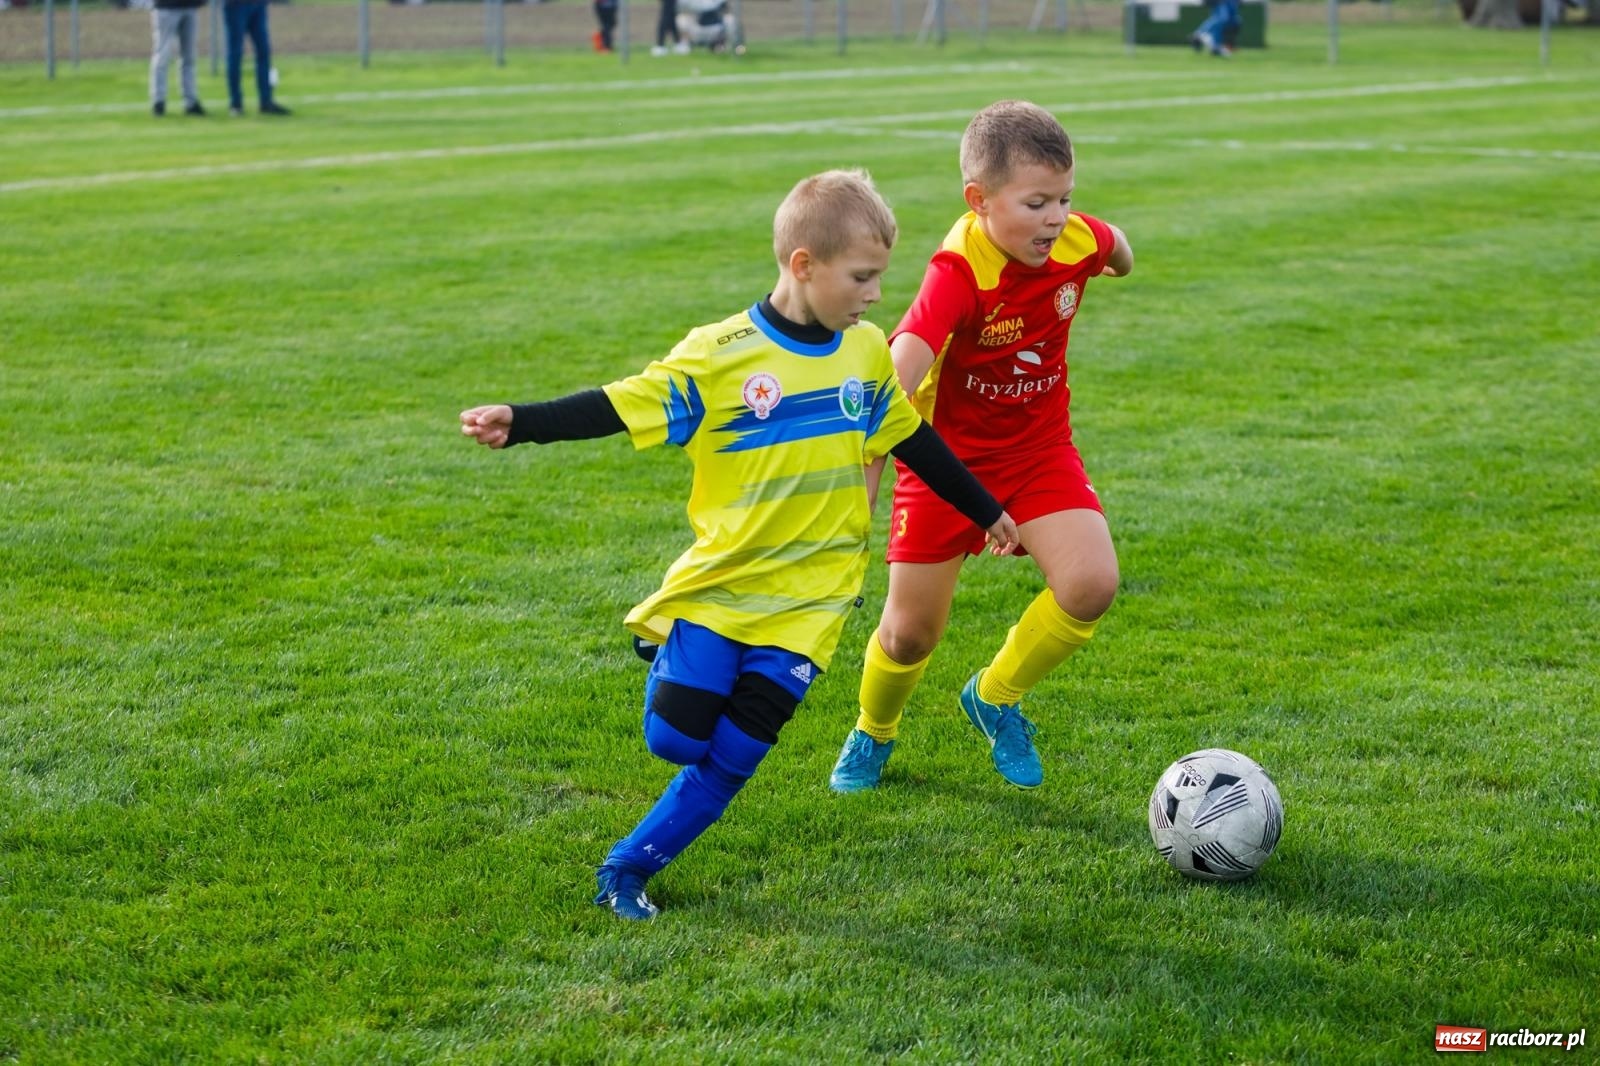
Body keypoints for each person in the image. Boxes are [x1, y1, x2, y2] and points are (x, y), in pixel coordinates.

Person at [459, 170, 1019, 921]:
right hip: (724, 588)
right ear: (803, 266)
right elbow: (621, 405)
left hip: (812, 601)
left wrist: (987, 511)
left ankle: (626, 869)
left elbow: (913, 440)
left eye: (880, 276)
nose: (875, 295)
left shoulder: (865, 355)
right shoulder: (719, 354)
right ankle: (672, 653)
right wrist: (520, 420)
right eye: (862, 277)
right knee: (674, 740)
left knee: (735, 757)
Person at [827, 100, 1134, 795]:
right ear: (979, 201)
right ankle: (873, 731)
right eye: (1036, 203)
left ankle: (994, 696)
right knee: (909, 636)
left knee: (1091, 585)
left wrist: (1114, 258)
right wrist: (864, 478)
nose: (1056, 218)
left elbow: (1116, 248)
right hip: (946, 467)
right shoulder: (957, 272)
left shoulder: (1076, 238)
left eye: (1064, 198)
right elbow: (900, 363)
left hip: (1039, 451)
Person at [224, 0, 290, 116]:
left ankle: (266, 101)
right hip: (236, 5)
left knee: (263, 52)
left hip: (258, 4)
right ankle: (236, 104)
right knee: (235, 54)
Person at [149, 0, 205, 117]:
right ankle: (158, 101)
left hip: (189, 6)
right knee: (162, 55)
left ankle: (190, 102)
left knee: (189, 57)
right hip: (166, 7)